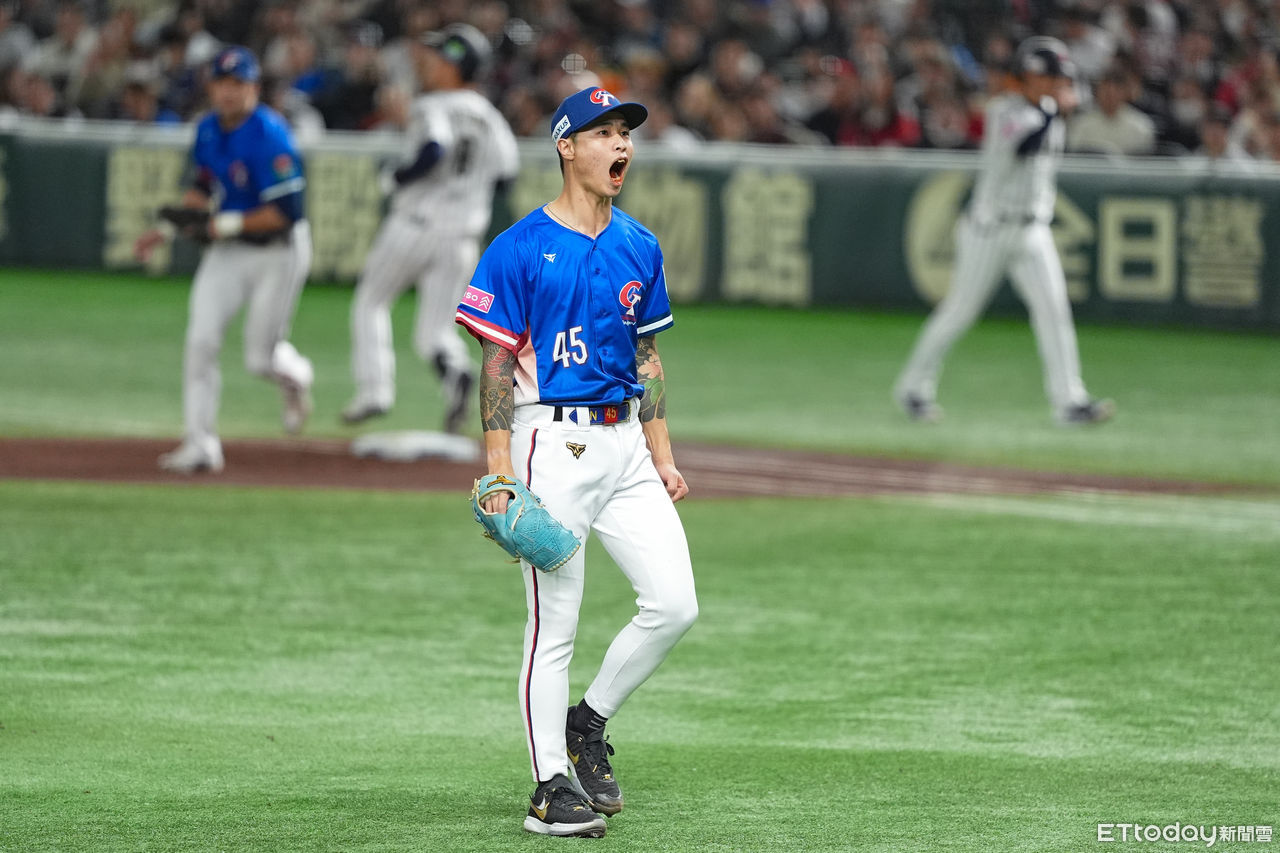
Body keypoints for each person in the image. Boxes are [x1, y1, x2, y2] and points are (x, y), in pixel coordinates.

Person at [455, 86, 698, 838]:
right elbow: (497, 364)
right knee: (552, 626)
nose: (620, 144)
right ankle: (548, 787)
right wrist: (500, 472)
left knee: (674, 605)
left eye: (625, 132)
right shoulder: (519, 246)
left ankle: (585, 723)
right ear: (566, 147)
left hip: (626, 447)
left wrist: (662, 454)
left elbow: (646, 357)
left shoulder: (639, 244)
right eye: (603, 132)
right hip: (550, 443)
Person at [894, 37, 1114, 425]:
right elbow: (1026, 145)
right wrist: (1056, 114)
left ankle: (1070, 402)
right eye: (1048, 76)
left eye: (1059, 77)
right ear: (1027, 76)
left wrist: (1056, 112)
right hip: (990, 230)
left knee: (1054, 313)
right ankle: (913, 388)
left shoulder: (1048, 111)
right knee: (960, 312)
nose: (1056, 83)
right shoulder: (1004, 110)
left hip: (1033, 231)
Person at [135, 46, 314, 473]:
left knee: (260, 360)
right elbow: (202, 186)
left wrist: (220, 224)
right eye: (221, 83)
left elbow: (287, 212)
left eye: (238, 83)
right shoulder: (207, 129)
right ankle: (200, 444)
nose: (229, 92)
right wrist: (167, 230)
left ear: (254, 88)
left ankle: (297, 378)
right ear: (211, 87)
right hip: (229, 252)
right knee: (200, 342)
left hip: (279, 252)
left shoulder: (271, 135)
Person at [341, 23, 518, 430]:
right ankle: (457, 373)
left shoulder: (432, 105)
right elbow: (507, 175)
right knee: (435, 332)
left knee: (371, 302)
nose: (429, 63)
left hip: (415, 225)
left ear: (455, 65)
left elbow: (435, 148)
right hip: (462, 237)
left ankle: (375, 391)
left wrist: (398, 177)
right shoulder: (491, 117)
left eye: (439, 58)